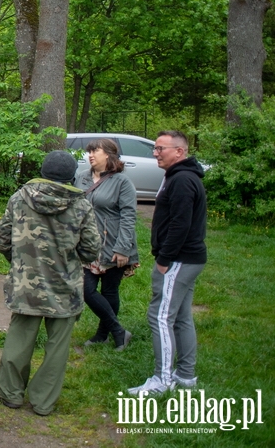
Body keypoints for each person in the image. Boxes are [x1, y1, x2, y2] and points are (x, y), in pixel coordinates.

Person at [0, 150, 101, 416]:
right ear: (71, 176)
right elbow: (91, 250)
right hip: (65, 287)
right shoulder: (82, 205)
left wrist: (20, 262)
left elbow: (3, 239)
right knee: (57, 348)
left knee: (19, 338)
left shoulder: (19, 199)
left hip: (26, 285)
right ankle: (43, 402)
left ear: (43, 171)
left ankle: (10, 392)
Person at [128, 130, 207, 396]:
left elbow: (180, 224)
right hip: (186, 259)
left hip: (178, 260)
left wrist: (164, 258)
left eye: (160, 149)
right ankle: (185, 375)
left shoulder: (183, 180)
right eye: (156, 148)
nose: (155, 153)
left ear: (179, 151)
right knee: (181, 316)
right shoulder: (178, 176)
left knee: (160, 316)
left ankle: (162, 381)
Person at [74, 138, 139, 351]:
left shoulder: (122, 182)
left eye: (95, 151)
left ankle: (103, 334)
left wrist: (122, 248)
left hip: (113, 243)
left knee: (110, 291)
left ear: (109, 155)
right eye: (89, 151)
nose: (90, 155)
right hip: (87, 245)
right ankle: (119, 331)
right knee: (87, 290)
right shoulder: (82, 178)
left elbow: (129, 217)